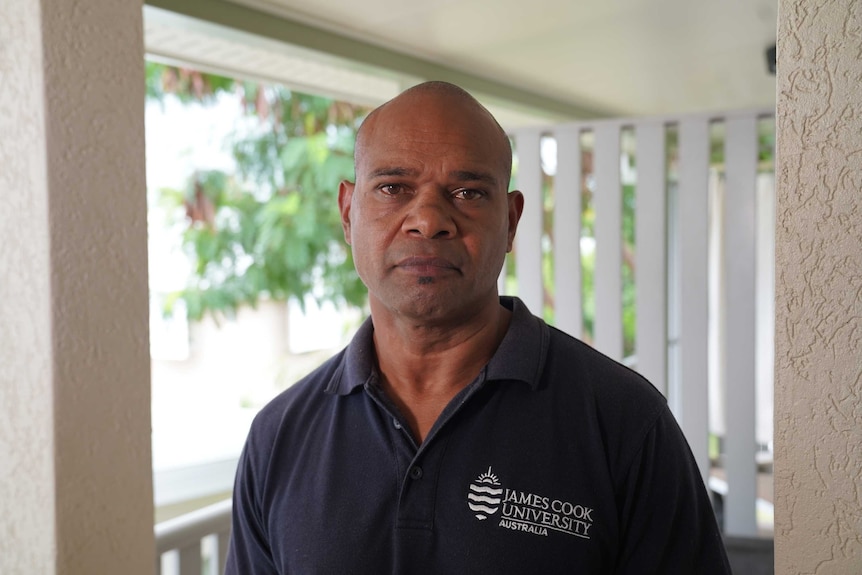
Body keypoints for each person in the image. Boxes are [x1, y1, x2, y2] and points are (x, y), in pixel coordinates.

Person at [225, 81, 731, 574]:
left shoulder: (623, 421)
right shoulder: (279, 437)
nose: (427, 220)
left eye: (467, 192)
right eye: (393, 187)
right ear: (347, 212)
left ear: (511, 221)